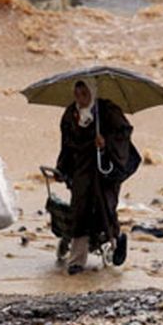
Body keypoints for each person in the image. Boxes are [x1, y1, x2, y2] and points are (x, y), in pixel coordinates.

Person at [56, 80, 136, 274]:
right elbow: (66, 144)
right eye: (77, 94)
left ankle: (115, 242)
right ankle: (77, 260)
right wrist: (62, 168)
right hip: (82, 170)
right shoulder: (70, 115)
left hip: (105, 171)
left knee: (106, 207)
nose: (80, 99)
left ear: (92, 93)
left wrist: (105, 143)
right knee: (80, 210)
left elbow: (123, 134)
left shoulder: (108, 111)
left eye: (84, 94)